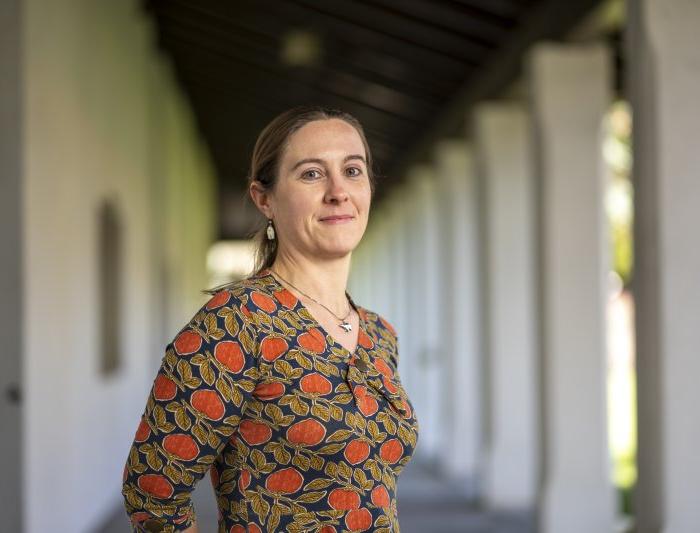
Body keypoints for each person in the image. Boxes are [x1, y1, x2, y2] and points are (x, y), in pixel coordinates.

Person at [121, 105, 420, 532]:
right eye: (312, 174)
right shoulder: (234, 323)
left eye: (353, 171)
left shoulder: (378, 333)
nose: (339, 191)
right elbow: (151, 491)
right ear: (265, 199)